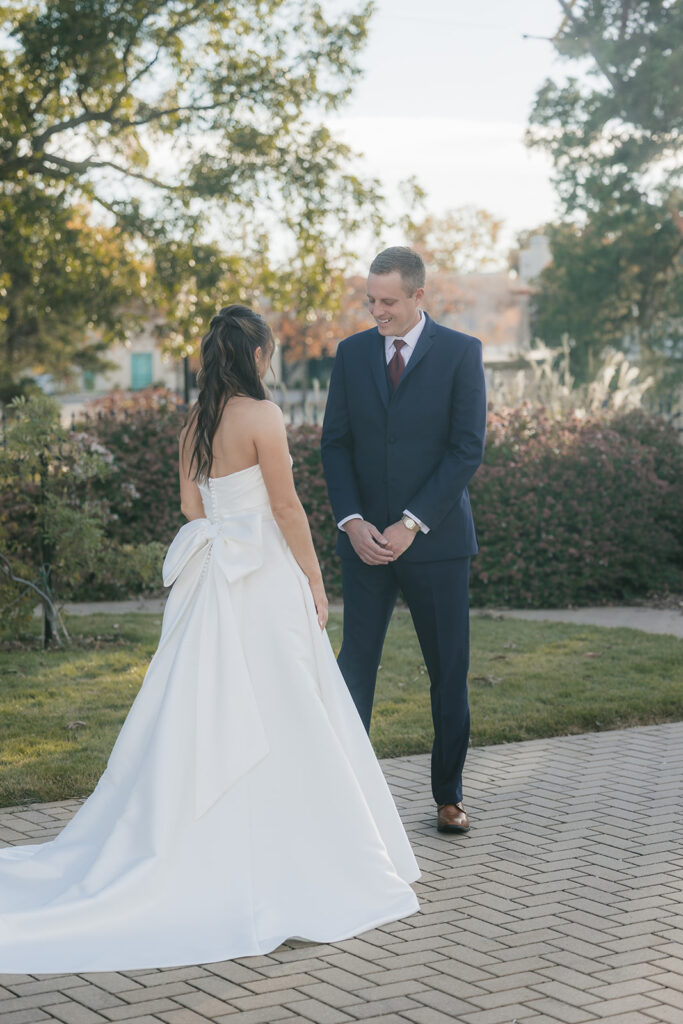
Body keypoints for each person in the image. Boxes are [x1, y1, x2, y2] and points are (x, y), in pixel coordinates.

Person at [0, 304, 419, 975]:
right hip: (264, 579)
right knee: (287, 702)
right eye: (269, 351)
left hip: (212, 576)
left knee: (207, 705)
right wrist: (315, 580)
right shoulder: (264, 416)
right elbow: (286, 507)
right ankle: (306, 856)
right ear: (256, 355)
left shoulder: (194, 422)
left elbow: (192, 509)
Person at [321, 248, 487, 835]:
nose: (377, 311)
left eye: (387, 301)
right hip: (364, 543)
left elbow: (466, 448)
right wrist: (352, 521)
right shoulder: (351, 353)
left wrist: (411, 522)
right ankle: (345, 796)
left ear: (419, 296)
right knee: (354, 667)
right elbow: (335, 444)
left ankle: (449, 796)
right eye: (371, 300)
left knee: (448, 670)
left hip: (436, 545)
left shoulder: (462, 352)